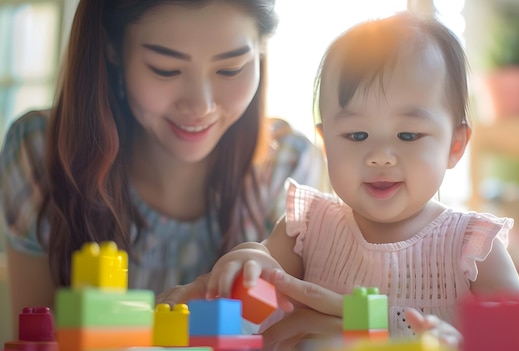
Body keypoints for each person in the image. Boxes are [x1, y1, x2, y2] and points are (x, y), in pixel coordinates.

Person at [159, 11, 519, 350]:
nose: (379, 155)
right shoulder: (308, 229)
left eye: (408, 135)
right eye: (356, 136)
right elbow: (262, 280)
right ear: (326, 143)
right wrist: (248, 259)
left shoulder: (470, 247)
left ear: (455, 145)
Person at [0, 0, 330, 339]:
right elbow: (34, 338)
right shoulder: (40, 151)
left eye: (231, 68)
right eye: (165, 69)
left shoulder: (288, 168)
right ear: (112, 47)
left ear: (260, 50)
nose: (200, 106)